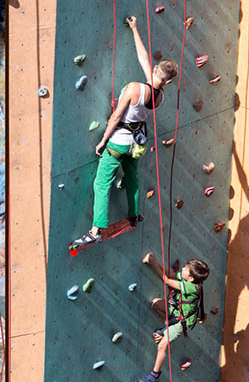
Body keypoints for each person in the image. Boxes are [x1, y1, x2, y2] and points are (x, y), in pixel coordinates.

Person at [71, 15, 178, 247]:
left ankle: (96, 229)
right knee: (132, 178)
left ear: (156, 69)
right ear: (167, 81)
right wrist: (135, 29)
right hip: (135, 144)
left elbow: (116, 117)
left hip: (118, 141)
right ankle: (134, 214)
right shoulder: (159, 95)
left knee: (101, 184)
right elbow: (143, 58)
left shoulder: (133, 88)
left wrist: (102, 142)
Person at [137, 252, 209, 382]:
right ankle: (165, 329)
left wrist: (153, 263)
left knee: (162, 345)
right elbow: (170, 274)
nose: (182, 269)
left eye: (185, 270)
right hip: (175, 311)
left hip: (182, 321)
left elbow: (166, 280)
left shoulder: (191, 287)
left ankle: (154, 374)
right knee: (155, 304)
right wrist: (156, 261)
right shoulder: (189, 281)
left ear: (191, 278)